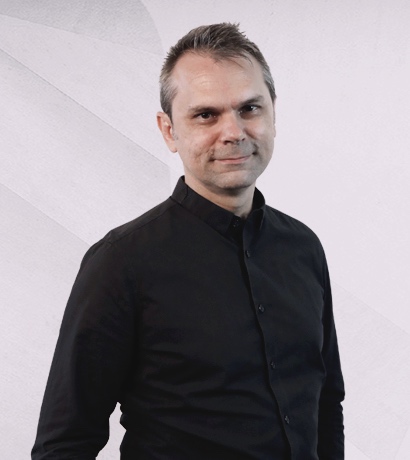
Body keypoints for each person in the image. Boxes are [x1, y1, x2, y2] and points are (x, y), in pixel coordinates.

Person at [32, 23, 344, 459]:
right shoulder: (121, 263)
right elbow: (64, 444)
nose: (233, 132)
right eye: (206, 115)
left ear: (273, 113)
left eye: (250, 108)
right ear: (168, 131)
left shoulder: (303, 248)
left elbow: (326, 402)